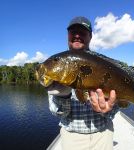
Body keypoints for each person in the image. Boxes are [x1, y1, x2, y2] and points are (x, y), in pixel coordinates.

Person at [47, 16, 119, 150]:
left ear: (90, 36)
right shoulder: (58, 65)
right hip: (71, 138)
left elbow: (116, 105)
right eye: (73, 32)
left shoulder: (104, 64)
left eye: (82, 32)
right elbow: (57, 113)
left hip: (103, 134)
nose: (77, 35)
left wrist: (107, 110)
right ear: (68, 35)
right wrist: (62, 96)